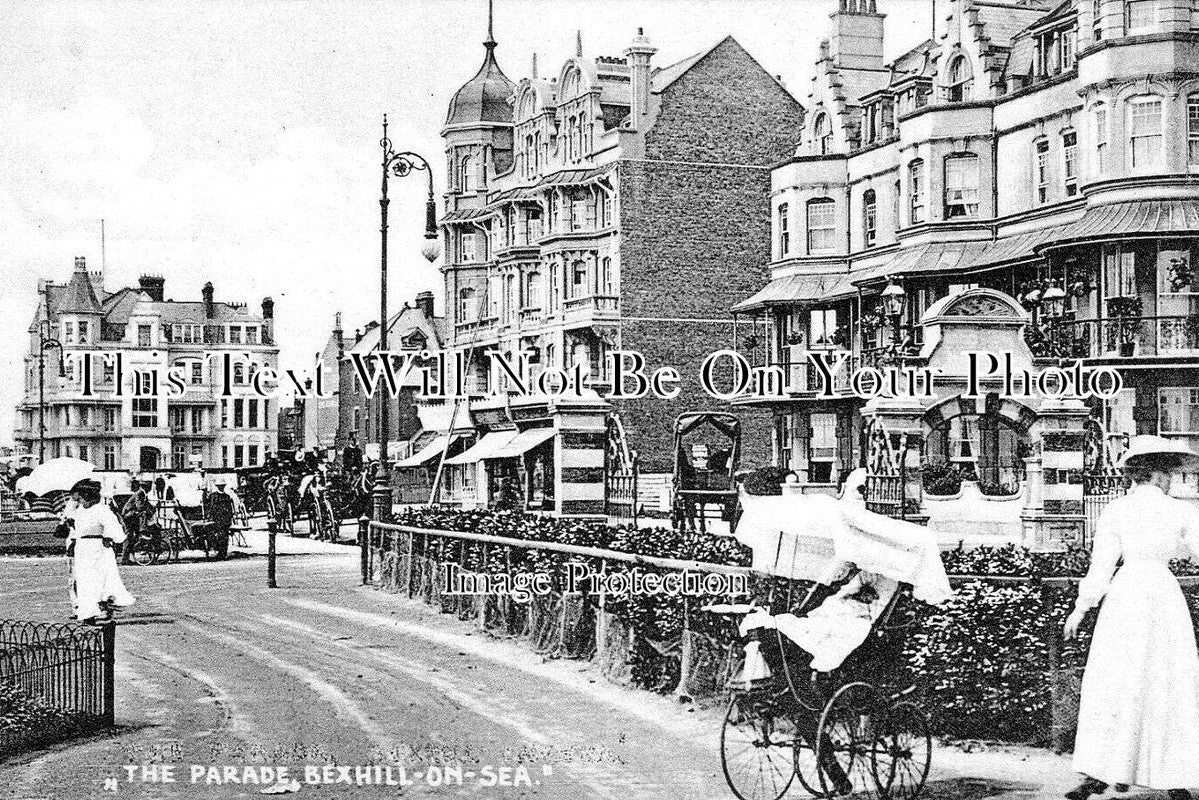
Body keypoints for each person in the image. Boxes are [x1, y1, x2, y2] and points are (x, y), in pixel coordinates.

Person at [1063, 435, 1199, 800]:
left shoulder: (1116, 510)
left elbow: (1101, 568)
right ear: (1155, 475)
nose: (1170, 479)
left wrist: (1081, 607)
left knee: (1117, 680)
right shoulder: (1181, 511)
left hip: (1125, 597)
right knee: (1167, 681)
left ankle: (1105, 770)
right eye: (1167, 473)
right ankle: (1173, 777)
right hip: (1163, 596)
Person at [64, 479, 135, 624]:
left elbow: (113, 526)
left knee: (98, 581)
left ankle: (102, 609)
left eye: (83, 498)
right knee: (84, 582)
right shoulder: (79, 511)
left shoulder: (102, 509)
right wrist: (71, 526)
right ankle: (86, 614)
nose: (81, 501)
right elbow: (73, 522)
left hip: (98, 549)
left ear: (89, 497)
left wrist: (108, 536)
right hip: (82, 549)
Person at [120, 478, 151, 565]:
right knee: (129, 537)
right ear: (146, 487)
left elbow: (146, 504)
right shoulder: (140, 493)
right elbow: (138, 505)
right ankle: (142, 530)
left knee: (131, 538)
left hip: (131, 515)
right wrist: (144, 509)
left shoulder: (142, 493)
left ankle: (127, 559)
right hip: (129, 515)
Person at [206, 481, 234, 559]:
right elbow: (211, 507)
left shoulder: (227, 496)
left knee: (225, 537)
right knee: (218, 536)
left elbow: (230, 508)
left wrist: (230, 518)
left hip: (225, 520)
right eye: (219, 486)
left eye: (222, 485)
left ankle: (223, 554)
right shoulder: (213, 496)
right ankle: (218, 552)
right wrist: (210, 517)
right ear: (217, 486)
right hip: (216, 519)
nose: (221, 487)